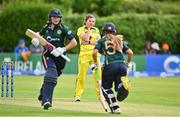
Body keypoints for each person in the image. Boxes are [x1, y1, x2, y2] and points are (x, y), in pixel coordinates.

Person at [31, 8, 77, 110]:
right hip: (48, 55)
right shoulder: (46, 28)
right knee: (51, 74)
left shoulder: (64, 28)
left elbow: (74, 42)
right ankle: (46, 101)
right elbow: (38, 34)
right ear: (50, 18)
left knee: (53, 80)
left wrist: (63, 49)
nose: (56, 19)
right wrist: (35, 39)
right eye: (54, 17)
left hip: (60, 57)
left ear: (60, 18)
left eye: (58, 17)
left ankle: (43, 92)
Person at [92, 22, 133, 114]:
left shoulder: (101, 41)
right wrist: (127, 63)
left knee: (105, 88)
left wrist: (95, 63)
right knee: (118, 86)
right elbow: (130, 53)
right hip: (122, 65)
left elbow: (94, 53)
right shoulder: (119, 39)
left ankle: (115, 108)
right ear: (114, 31)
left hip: (110, 65)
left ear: (104, 31)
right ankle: (122, 86)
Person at [74, 14, 102, 102]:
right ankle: (78, 95)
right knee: (81, 76)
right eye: (90, 21)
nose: (92, 23)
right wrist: (89, 30)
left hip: (95, 55)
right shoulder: (80, 29)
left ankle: (100, 96)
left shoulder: (96, 30)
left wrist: (89, 42)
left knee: (98, 76)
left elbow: (99, 42)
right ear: (85, 21)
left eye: (93, 21)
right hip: (84, 55)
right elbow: (85, 38)